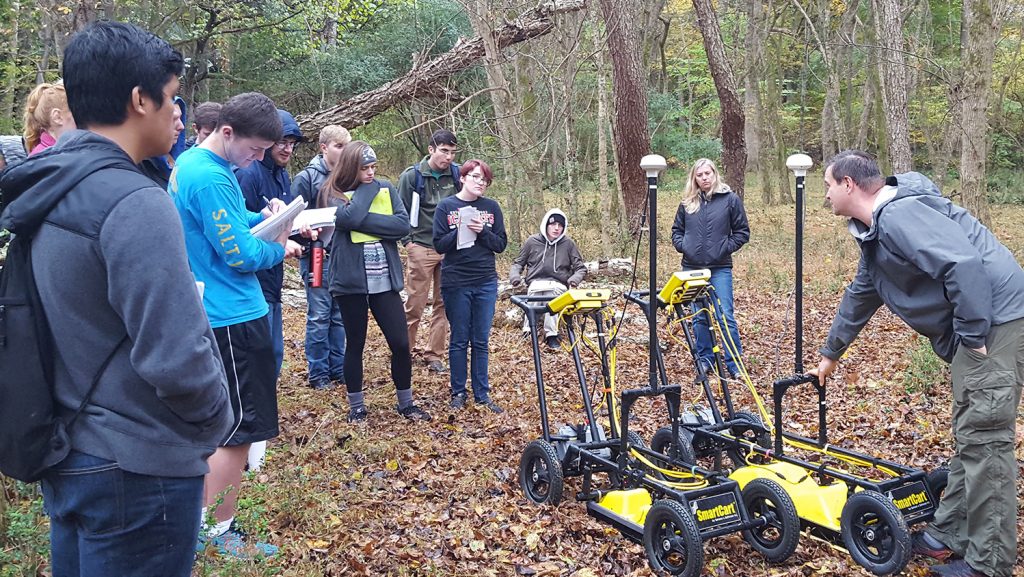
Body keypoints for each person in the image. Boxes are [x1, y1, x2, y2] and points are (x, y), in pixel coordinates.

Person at [0, 21, 232, 577]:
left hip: (70, 451)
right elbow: (176, 357)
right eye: (173, 98)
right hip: (139, 466)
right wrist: (216, 423)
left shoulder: (50, 183)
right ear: (138, 99)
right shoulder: (134, 202)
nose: (179, 114)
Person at [811, 150, 1024, 577]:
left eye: (829, 185)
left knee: (985, 439)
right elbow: (863, 291)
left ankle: (990, 563)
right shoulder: (875, 230)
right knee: (972, 434)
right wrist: (831, 353)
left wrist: (973, 337)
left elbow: (963, 266)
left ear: (849, 185)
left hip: (995, 323)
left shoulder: (899, 215)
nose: (826, 195)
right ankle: (950, 534)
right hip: (986, 325)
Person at [171, 92, 302, 557]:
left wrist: (262, 216)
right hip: (231, 316)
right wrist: (280, 247)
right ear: (227, 132)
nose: (259, 158)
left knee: (228, 426)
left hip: (220, 311)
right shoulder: (208, 176)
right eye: (255, 148)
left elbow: (225, 220)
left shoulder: (199, 165)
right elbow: (239, 253)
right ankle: (217, 535)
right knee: (240, 430)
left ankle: (204, 521)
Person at [317, 141, 431, 423]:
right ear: (351, 167)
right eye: (364, 168)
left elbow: (401, 226)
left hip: (384, 278)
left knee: (400, 343)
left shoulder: (387, 188)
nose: (370, 173)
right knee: (355, 343)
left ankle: (406, 403)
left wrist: (356, 220)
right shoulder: (332, 190)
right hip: (350, 280)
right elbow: (349, 216)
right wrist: (364, 210)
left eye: (373, 168)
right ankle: (356, 407)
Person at [433, 159, 507, 413]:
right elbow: (439, 245)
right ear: (463, 178)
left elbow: (500, 244)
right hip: (456, 281)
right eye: (476, 177)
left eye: (485, 180)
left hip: (485, 280)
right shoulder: (446, 207)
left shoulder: (491, 207)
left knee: (481, 340)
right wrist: (461, 229)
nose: (481, 183)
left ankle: (482, 394)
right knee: (459, 339)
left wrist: (483, 231)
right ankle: (458, 392)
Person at [236, 108, 305, 378]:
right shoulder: (248, 174)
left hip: (273, 276)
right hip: (254, 279)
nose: (288, 150)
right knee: (259, 355)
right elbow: (240, 230)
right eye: (282, 143)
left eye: (292, 144)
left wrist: (299, 231)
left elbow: (281, 222)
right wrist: (279, 244)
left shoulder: (281, 175)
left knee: (274, 353)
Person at [670, 158, 750, 379]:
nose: (704, 178)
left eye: (708, 173)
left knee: (725, 315)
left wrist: (724, 248)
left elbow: (742, 232)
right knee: (698, 316)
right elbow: (676, 230)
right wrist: (683, 246)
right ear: (694, 178)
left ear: (715, 174)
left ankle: (734, 364)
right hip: (691, 268)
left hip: (719, 268)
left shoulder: (730, 200)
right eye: (700, 175)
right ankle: (705, 360)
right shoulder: (688, 203)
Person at [291, 124, 350, 390]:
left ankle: (338, 368)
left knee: (339, 315)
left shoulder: (348, 177)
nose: (344, 151)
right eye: (339, 146)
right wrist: (305, 234)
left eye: (347, 146)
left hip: (342, 256)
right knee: (319, 315)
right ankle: (318, 372)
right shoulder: (307, 178)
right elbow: (291, 221)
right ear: (323, 147)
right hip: (315, 255)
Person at [397, 129, 461, 374]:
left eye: (453, 152)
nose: (448, 157)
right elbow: (399, 211)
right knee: (415, 302)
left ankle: (434, 355)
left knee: (443, 304)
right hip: (421, 246)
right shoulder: (412, 176)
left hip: (449, 248)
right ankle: (404, 351)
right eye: (444, 151)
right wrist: (408, 243)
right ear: (431, 149)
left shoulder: (456, 175)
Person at [509, 208, 587, 349]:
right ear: (546, 225)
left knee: (552, 296)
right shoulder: (532, 242)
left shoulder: (568, 244)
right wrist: (515, 277)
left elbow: (580, 268)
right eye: (553, 224)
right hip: (536, 282)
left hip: (558, 283)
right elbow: (518, 263)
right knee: (536, 293)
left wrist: (574, 280)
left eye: (560, 225)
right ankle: (528, 330)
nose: (556, 228)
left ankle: (551, 334)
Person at [23, 81, 76, 155]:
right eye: (75, 112)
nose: (82, 117)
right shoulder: (43, 158)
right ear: (57, 117)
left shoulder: (61, 151)